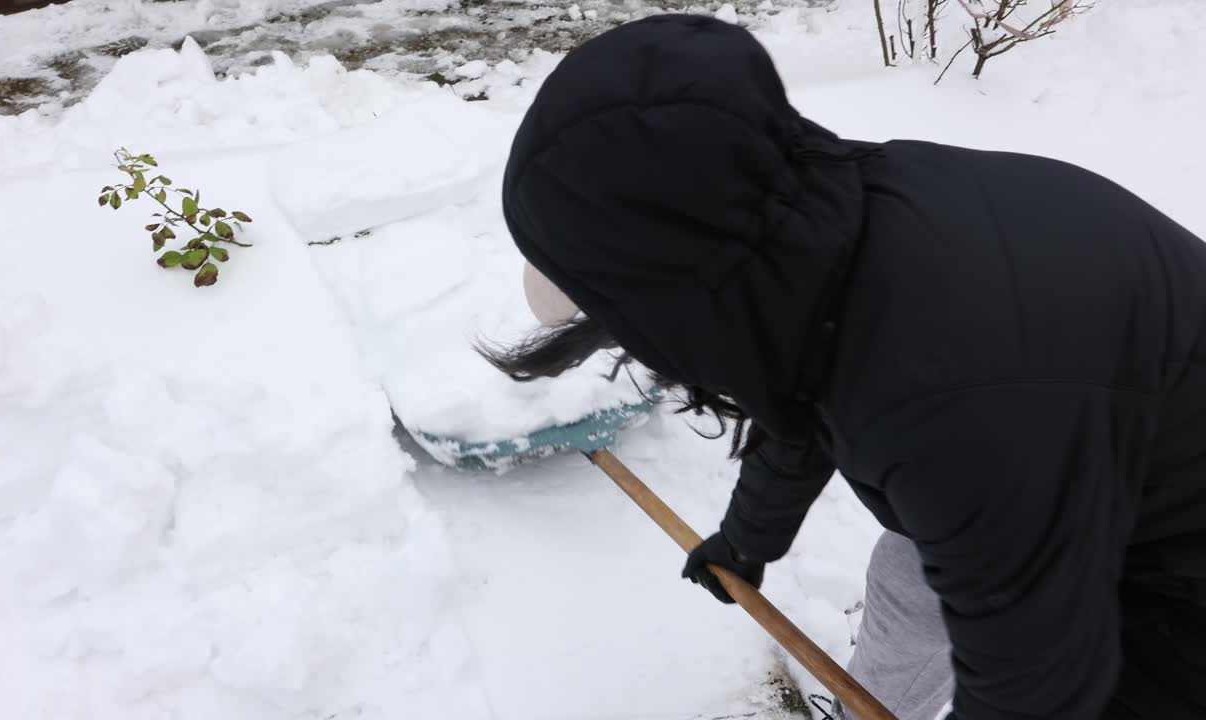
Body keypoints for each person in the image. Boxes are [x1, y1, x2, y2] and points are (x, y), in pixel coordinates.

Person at [479, 13, 1206, 720]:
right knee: (915, 573)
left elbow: (1037, 688)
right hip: (1091, 447)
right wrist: (747, 540)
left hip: (1178, 569)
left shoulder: (953, 407)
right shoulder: (816, 221)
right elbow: (799, 383)